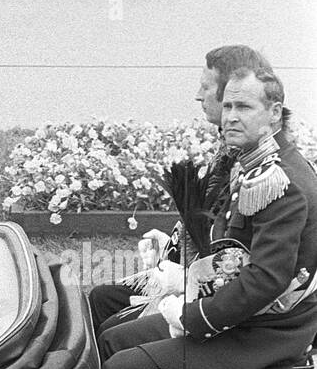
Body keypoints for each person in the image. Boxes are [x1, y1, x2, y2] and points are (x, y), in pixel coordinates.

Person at [37, 67, 317, 369]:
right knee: (112, 338)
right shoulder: (257, 165)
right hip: (236, 319)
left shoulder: (283, 181)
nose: (230, 117)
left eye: (244, 106)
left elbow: (264, 280)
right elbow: (231, 259)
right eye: (227, 106)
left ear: (274, 112)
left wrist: (192, 317)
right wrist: (184, 276)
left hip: (257, 340)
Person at [88, 45, 282, 332]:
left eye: (206, 87)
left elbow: (242, 258)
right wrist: (171, 247)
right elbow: (212, 231)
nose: (198, 95)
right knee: (101, 299)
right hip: (201, 285)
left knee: (112, 332)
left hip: (220, 307)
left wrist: (185, 277)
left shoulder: (261, 170)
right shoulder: (232, 149)